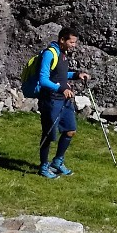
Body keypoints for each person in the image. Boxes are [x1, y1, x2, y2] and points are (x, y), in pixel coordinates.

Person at [30, 28, 89, 178]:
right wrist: (61, 88)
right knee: (49, 134)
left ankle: (57, 162)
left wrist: (76, 75)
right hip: (50, 100)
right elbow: (44, 79)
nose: (73, 45)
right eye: (71, 42)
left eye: (75, 42)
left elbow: (61, 74)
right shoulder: (50, 54)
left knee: (70, 130)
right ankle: (43, 167)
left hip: (64, 100)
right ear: (62, 40)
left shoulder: (62, 54)